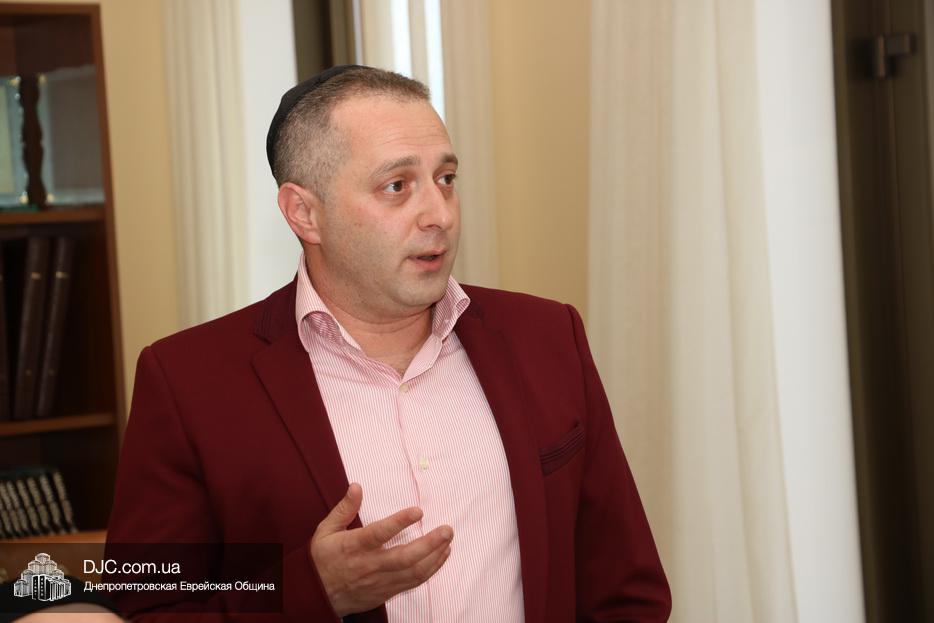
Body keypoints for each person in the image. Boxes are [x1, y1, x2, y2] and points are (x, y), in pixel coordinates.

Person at [105, 65, 671, 622]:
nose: (439, 215)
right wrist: (311, 593)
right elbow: (148, 605)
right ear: (304, 213)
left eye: (446, 179)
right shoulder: (189, 382)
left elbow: (626, 590)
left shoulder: (547, 338)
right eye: (397, 186)